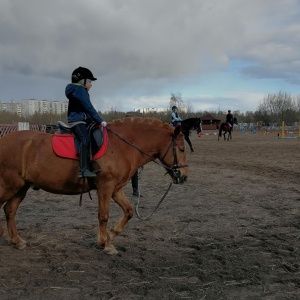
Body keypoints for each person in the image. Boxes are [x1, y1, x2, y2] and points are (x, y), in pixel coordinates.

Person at [66, 66, 107, 178]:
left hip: (82, 119)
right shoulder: (79, 90)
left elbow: (85, 109)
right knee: (85, 139)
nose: (91, 84)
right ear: (82, 82)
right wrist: (100, 120)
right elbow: (89, 107)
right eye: (89, 81)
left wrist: (94, 120)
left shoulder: (79, 90)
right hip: (76, 121)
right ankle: (83, 169)